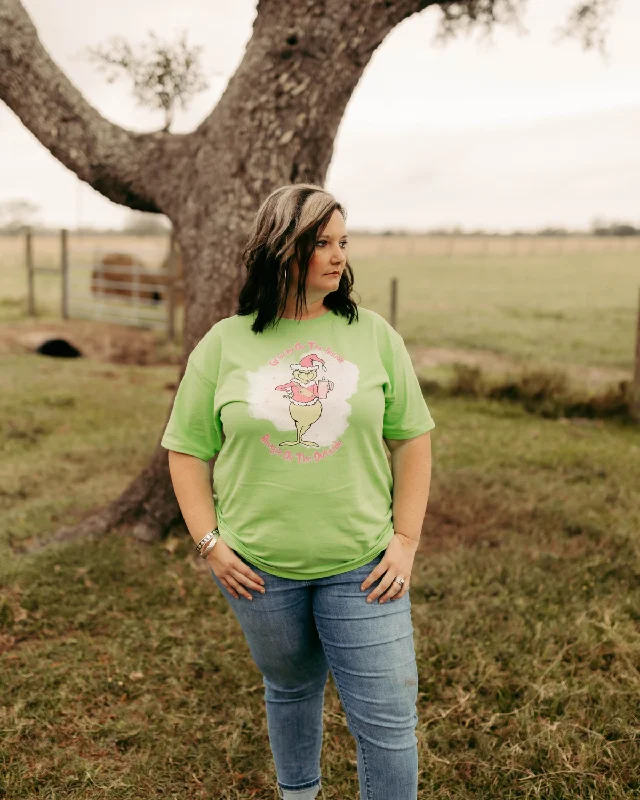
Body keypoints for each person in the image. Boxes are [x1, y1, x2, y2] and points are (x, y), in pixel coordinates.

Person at [161, 183, 435, 800]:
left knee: (389, 724)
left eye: (343, 242)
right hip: (258, 570)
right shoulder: (225, 343)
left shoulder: (374, 336)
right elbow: (186, 450)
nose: (338, 256)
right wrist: (211, 543)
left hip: (364, 566)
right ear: (281, 249)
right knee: (290, 687)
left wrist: (406, 541)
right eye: (321, 243)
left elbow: (413, 440)